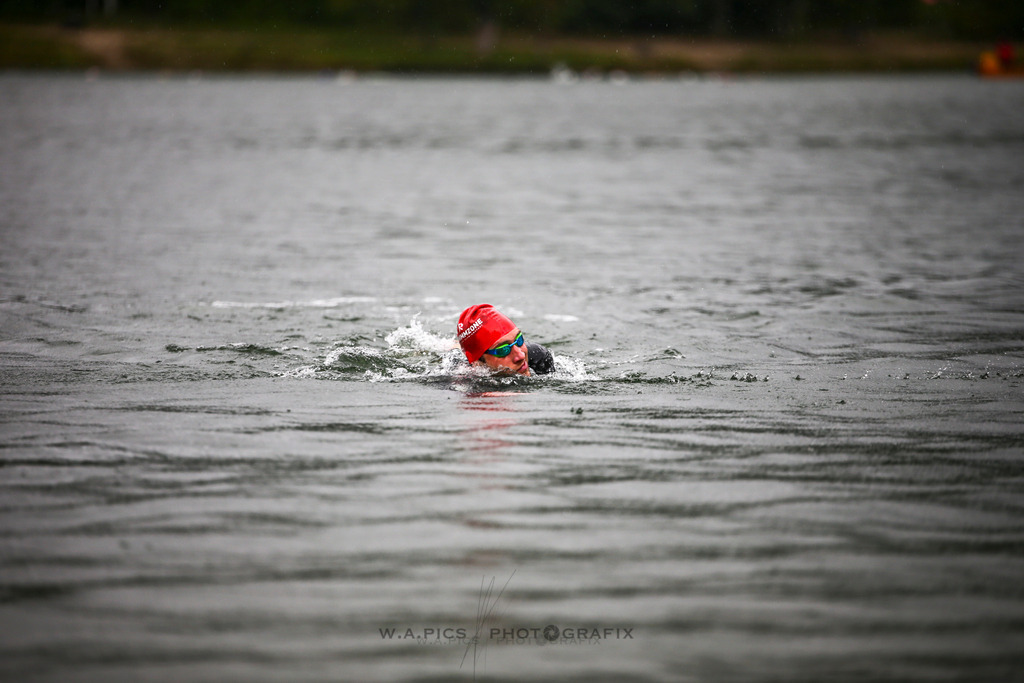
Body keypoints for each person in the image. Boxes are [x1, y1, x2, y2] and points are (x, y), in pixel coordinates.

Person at [456, 304, 554, 376]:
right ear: (478, 363)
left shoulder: (539, 357)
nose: (521, 355)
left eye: (519, 340)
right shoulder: (462, 377)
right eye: (503, 350)